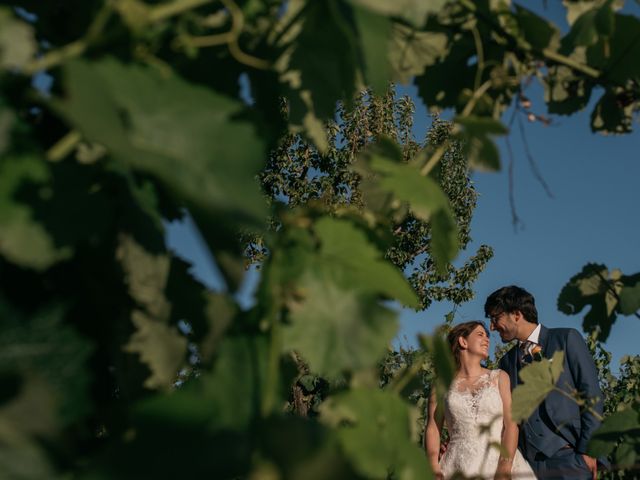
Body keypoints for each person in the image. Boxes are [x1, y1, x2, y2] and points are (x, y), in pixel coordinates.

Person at [485, 285, 604, 480]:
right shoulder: (506, 362)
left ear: (516, 314)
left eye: (495, 318)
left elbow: (591, 395)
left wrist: (587, 451)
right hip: (527, 466)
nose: (492, 326)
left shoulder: (565, 339)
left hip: (570, 457)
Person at [424, 321, 536, 479]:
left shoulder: (499, 377)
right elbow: (433, 428)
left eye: (487, 336)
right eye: (480, 334)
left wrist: (504, 468)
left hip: (497, 462)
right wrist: (433, 466)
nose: (487, 339)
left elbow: (511, 426)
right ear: (463, 341)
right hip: (456, 465)